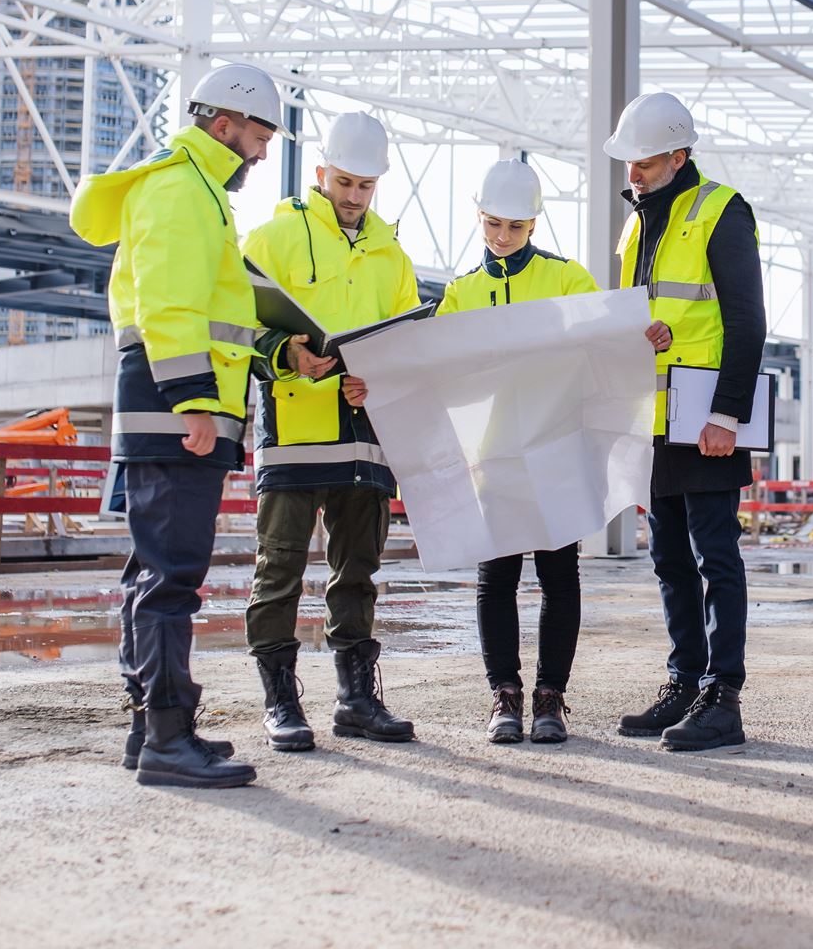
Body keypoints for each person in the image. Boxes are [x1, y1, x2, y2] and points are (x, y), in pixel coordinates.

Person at [70, 62, 288, 788]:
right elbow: (168, 306)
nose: (260, 153)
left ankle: (152, 729)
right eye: (257, 136)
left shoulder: (194, 191)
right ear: (222, 124)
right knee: (170, 578)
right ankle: (167, 738)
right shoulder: (178, 189)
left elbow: (216, 311)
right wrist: (195, 402)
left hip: (174, 407)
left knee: (153, 574)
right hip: (175, 410)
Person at [242, 111, 419, 750]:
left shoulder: (392, 257)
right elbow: (234, 324)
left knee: (358, 571)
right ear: (321, 173)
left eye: (365, 186)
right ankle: (281, 702)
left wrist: (382, 377)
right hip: (294, 429)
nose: (353, 197)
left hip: (365, 433)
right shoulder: (273, 238)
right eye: (344, 182)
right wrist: (284, 352)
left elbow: (407, 346)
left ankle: (357, 699)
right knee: (280, 565)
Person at [605, 92, 766, 752]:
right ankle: (684, 679)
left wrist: (728, 413)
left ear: (678, 155)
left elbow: (748, 319)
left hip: (705, 417)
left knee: (714, 556)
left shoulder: (721, 211)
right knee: (670, 559)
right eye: (629, 162)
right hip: (656, 417)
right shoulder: (637, 225)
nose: (633, 173)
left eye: (643, 161)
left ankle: (723, 696)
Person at [436, 159, 599, 745]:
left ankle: (551, 696)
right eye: (493, 223)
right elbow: (440, 372)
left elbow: (602, 346)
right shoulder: (460, 293)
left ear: (535, 224)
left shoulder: (568, 279)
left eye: (516, 227)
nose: (503, 237)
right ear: (479, 216)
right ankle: (503, 695)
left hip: (556, 449)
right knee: (496, 577)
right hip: (495, 455)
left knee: (560, 575)